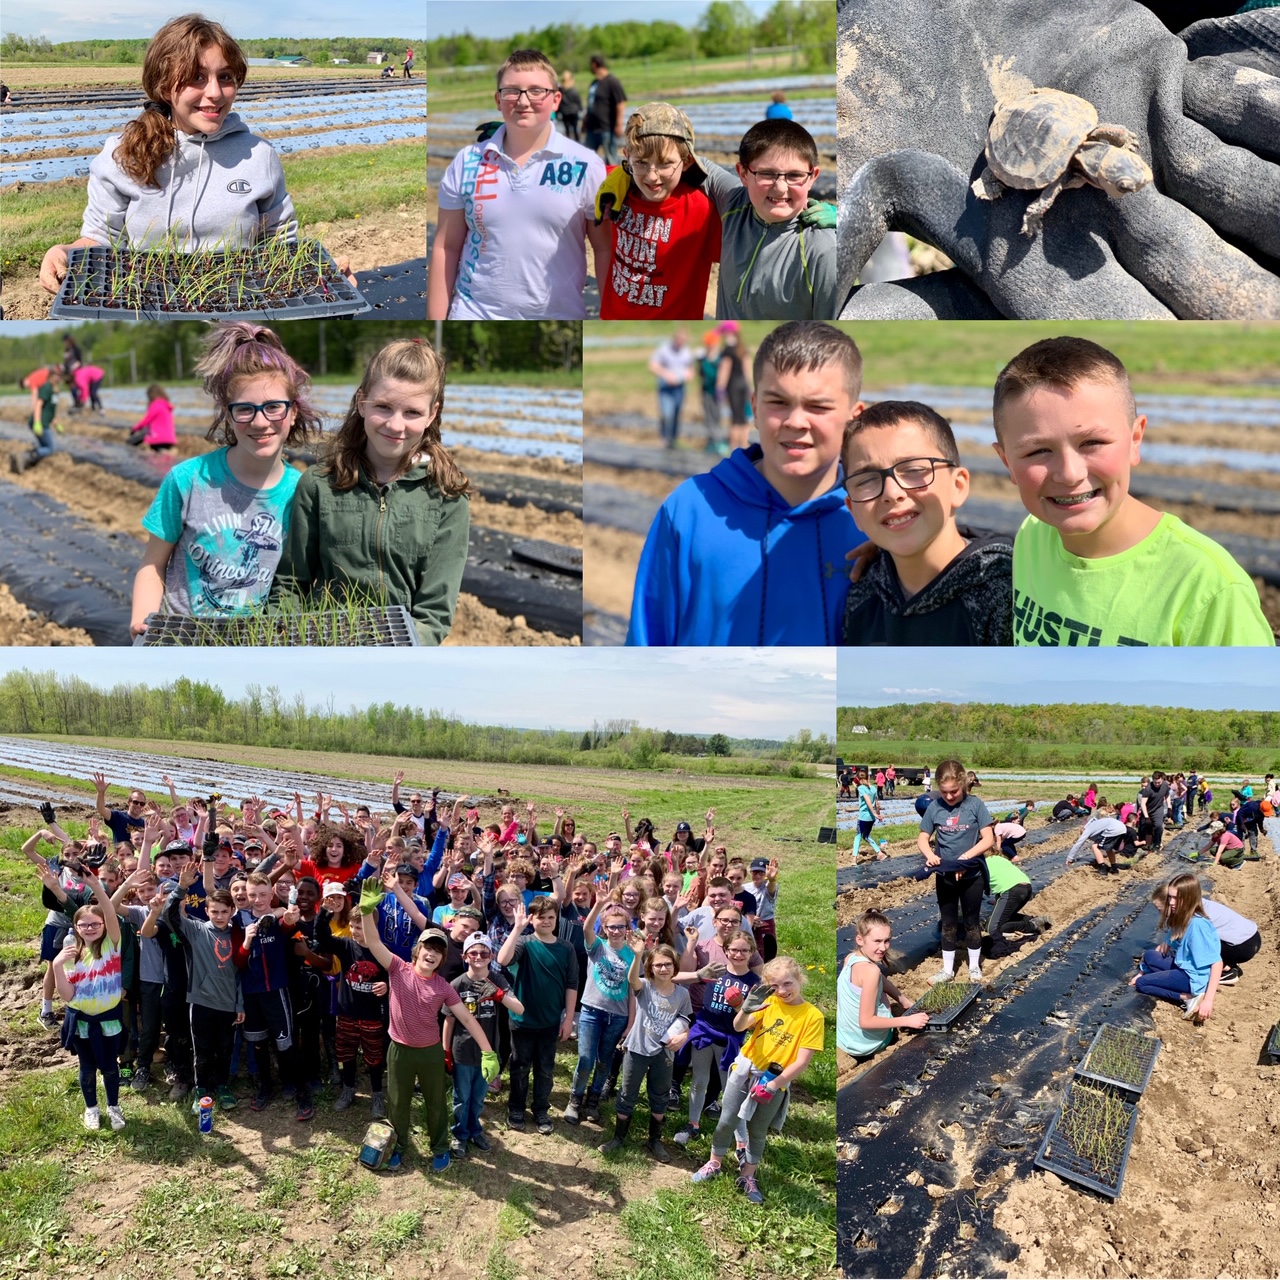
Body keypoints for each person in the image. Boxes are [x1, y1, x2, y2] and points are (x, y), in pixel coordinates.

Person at [992, 336, 1274, 646]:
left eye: (1092, 443)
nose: (1070, 474)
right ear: (1006, 462)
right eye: (1038, 451)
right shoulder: (1032, 537)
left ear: (1135, 440)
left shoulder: (1207, 588)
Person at [627, 321, 867, 645]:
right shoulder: (690, 510)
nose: (796, 421)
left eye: (818, 406)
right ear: (754, 407)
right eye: (778, 402)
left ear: (854, 416)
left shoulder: (873, 523)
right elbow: (646, 645)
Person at [38, 16, 302, 295]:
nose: (215, 93)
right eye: (197, 77)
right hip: (147, 304)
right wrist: (63, 251)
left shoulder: (258, 156)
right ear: (164, 86)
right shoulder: (124, 155)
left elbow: (280, 245)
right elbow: (101, 241)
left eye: (225, 77)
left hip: (237, 301)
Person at [275, 338, 470, 646]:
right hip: (323, 646)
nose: (395, 425)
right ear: (362, 402)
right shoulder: (319, 484)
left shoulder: (447, 498)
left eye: (412, 412)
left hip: (397, 653)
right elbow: (290, 584)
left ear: (432, 414)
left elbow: (432, 616)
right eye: (383, 407)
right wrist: (288, 640)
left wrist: (389, 653)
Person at [130, 323, 319, 635]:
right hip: (184, 638)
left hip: (254, 643)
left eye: (274, 407)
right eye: (244, 409)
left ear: (293, 412)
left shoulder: (302, 493)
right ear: (228, 415)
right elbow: (152, 565)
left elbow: (299, 583)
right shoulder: (188, 480)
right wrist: (142, 621)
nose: (260, 422)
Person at [431, 49, 609, 320]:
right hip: (475, 313)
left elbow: (604, 248)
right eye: (512, 91)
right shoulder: (467, 162)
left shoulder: (586, 165)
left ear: (556, 100)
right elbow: (447, 246)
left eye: (537, 91)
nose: (523, 101)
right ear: (498, 100)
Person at [840, 400, 1012, 644]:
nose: (892, 492)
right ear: (853, 510)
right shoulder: (862, 596)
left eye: (913, 470)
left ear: (958, 486)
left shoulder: (1005, 598)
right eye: (867, 479)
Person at [356, 875, 497, 1173]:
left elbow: (466, 1018)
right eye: (427, 948)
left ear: (442, 958)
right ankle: (398, 1146)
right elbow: (373, 942)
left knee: (435, 1102)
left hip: (431, 1052)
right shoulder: (397, 968)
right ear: (417, 951)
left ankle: (440, 1147)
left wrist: (487, 1051)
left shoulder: (443, 987)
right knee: (398, 1103)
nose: (431, 953)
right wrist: (367, 912)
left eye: (438, 950)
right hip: (399, 1051)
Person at [690, 956, 823, 1204]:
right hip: (746, 1070)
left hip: (774, 1079)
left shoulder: (812, 1016)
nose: (782, 991)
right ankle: (714, 1163)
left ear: (799, 979)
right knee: (726, 1121)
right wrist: (745, 1008)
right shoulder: (769, 1002)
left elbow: (802, 1061)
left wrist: (772, 1085)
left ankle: (748, 1175)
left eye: (787, 983)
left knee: (758, 1131)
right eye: (775, 986)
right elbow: (739, 1027)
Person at [700, 119, 838, 320]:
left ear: (812, 177)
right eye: (766, 173)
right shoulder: (735, 203)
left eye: (794, 175)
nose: (780, 188)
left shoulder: (822, 251)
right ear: (743, 174)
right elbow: (696, 164)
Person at [595, 105, 721, 322]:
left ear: (687, 161)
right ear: (627, 157)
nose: (652, 176)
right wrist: (615, 175)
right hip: (613, 319)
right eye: (641, 163)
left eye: (665, 164)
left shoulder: (701, 209)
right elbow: (583, 172)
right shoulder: (619, 189)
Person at [600, 940, 691, 1161]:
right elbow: (632, 979)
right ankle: (618, 1137)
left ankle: (654, 1140)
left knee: (660, 1095)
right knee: (627, 1092)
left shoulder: (682, 994)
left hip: (664, 1053)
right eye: (658, 965)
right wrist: (638, 955)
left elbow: (686, 1020)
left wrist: (684, 1037)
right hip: (637, 1048)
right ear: (650, 967)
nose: (663, 968)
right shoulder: (644, 986)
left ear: (675, 966)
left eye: (668, 964)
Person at [165, 857, 243, 1112]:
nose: (219, 916)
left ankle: (222, 1086)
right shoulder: (195, 930)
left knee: (225, 1049)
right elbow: (169, 915)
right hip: (200, 1002)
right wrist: (181, 888)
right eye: (214, 911)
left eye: (224, 911)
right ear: (207, 911)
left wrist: (240, 1004)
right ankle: (201, 1090)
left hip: (228, 1004)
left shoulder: (237, 935)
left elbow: (240, 973)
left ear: (232, 911)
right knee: (202, 1050)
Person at [496, 896, 579, 1134]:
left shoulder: (566, 948)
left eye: (551, 917)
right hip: (522, 1021)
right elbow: (502, 960)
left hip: (550, 1022)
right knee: (520, 1067)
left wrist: (568, 1018)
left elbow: (572, 984)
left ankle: (541, 1108)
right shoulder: (525, 942)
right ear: (532, 919)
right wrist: (517, 928)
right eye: (541, 917)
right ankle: (516, 1108)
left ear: (557, 919)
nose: (546, 921)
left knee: (545, 1069)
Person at [53, 867, 128, 1131]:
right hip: (81, 1022)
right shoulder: (70, 952)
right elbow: (67, 995)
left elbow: (110, 912)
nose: (90, 928)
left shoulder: (112, 945)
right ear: (76, 927)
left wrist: (96, 886)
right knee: (86, 1068)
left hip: (109, 1020)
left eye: (95, 924)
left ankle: (114, 1107)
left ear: (104, 926)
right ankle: (91, 1109)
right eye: (84, 925)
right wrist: (57, 966)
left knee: (110, 1067)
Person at [444, 931, 524, 1157]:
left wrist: (499, 995)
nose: (478, 957)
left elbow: (519, 1009)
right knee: (461, 1098)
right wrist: (445, 1050)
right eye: (473, 953)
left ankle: (474, 1129)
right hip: (462, 1051)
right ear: (465, 956)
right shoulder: (457, 984)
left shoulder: (498, 980)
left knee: (479, 1098)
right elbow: (449, 1020)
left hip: (488, 1053)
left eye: (484, 953)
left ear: (491, 956)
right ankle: (459, 1134)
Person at [919, 760, 995, 984]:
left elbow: (988, 839)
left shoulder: (975, 805)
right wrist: (929, 854)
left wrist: (965, 859)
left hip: (972, 875)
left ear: (962, 784)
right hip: (946, 875)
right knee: (948, 923)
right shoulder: (935, 807)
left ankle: (974, 967)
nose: (949, 796)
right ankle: (947, 970)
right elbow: (923, 837)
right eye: (944, 792)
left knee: (971, 922)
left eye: (954, 791)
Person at [565, 898, 636, 1126]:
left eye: (621, 926)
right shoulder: (597, 947)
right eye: (611, 926)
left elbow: (634, 992)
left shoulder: (633, 954)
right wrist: (599, 905)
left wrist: (630, 1023)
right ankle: (575, 1099)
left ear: (627, 928)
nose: (616, 931)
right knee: (586, 1059)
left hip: (618, 1017)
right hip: (591, 1012)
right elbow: (586, 928)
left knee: (604, 1062)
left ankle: (593, 1100)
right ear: (604, 928)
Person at [838, 910, 930, 1062]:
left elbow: (880, 979)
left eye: (887, 941)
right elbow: (866, 1022)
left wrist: (904, 1001)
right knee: (877, 986)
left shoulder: (851, 958)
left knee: (877, 982)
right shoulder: (870, 971)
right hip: (868, 1045)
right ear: (860, 939)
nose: (883, 947)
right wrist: (907, 1021)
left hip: (846, 1039)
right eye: (877, 941)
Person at [1131, 873, 1222, 1021]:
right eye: (1170, 897)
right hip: (1183, 967)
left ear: (1189, 898)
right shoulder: (1181, 919)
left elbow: (1217, 963)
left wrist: (1208, 1001)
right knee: (1149, 955)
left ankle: (1188, 997)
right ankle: (1176, 985)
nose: (1171, 902)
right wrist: (1142, 972)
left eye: (1176, 898)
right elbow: (1163, 948)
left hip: (1192, 977)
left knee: (1142, 984)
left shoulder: (1197, 926)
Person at [1152, 879, 1259, 987]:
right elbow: (1169, 940)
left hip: (1242, 947)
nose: (1160, 913)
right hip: (1252, 938)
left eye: (1160, 910)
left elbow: (1175, 942)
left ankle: (1227, 971)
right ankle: (1228, 964)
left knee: (1190, 945)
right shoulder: (1194, 903)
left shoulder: (1194, 916)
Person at [649, 329, 696, 448]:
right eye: (680, 340)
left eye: (684, 341)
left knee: (676, 413)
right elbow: (653, 365)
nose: (681, 343)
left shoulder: (686, 352)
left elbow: (691, 369)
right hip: (666, 386)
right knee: (666, 413)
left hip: (680, 386)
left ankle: (673, 439)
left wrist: (688, 376)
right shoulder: (664, 350)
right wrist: (666, 375)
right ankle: (664, 437)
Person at [583, 54, 627, 165]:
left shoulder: (612, 82)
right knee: (586, 158)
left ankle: (612, 175)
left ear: (594, 65)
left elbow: (620, 103)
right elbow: (591, 103)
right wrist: (585, 120)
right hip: (592, 128)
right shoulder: (594, 83)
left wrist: (619, 124)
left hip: (606, 127)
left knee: (610, 158)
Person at [14, 366, 59, 472]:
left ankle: (29, 460)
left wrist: (56, 423)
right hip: (41, 423)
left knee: (45, 446)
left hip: (44, 422)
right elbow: (38, 405)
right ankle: (24, 457)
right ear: (52, 376)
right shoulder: (47, 388)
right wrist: (37, 422)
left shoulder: (55, 390)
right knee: (51, 448)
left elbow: (51, 409)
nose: (60, 378)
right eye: (58, 375)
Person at [715, 326, 752, 453]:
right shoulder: (742, 348)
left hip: (733, 386)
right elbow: (747, 368)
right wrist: (749, 386)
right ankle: (744, 444)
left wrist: (720, 388)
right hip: (743, 385)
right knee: (744, 417)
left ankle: (734, 447)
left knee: (735, 418)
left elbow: (725, 369)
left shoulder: (728, 350)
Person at [128, 384, 176, 451]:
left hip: (157, 439)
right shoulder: (167, 405)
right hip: (170, 439)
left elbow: (146, 421)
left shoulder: (155, 405)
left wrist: (134, 428)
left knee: (137, 437)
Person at [853, 770, 887, 862]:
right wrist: (878, 814)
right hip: (871, 819)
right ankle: (880, 853)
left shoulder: (861, 788)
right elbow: (877, 804)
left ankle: (854, 858)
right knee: (866, 836)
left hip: (864, 817)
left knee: (858, 836)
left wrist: (874, 813)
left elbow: (868, 800)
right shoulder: (873, 788)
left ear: (858, 779)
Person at [1138, 770, 1171, 851]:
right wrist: (1146, 817)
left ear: (1162, 779)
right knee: (1144, 829)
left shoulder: (1165, 785)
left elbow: (1167, 795)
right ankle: (1145, 844)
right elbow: (1143, 804)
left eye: (1159, 782)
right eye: (1155, 782)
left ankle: (1157, 843)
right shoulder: (1148, 789)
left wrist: (1169, 807)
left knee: (1158, 826)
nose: (1157, 784)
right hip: (1147, 810)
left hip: (1158, 809)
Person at [558, 70, 583, 141]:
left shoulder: (560, 90)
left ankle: (568, 143)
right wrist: (580, 109)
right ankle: (577, 143)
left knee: (567, 131)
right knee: (575, 130)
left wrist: (558, 112)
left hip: (565, 112)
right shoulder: (573, 90)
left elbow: (559, 102)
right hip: (573, 112)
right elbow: (578, 101)